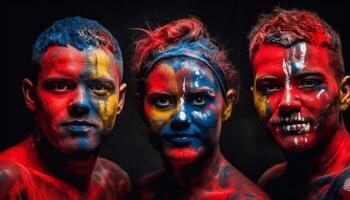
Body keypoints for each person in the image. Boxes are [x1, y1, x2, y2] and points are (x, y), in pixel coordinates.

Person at [132, 17, 270, 199]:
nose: (180, 118)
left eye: (198, 100)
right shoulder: (141, 192)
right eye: (163, 101)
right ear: (141, 107)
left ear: (227, 105)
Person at [0, 16, 130, 199]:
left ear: (120, 100)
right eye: (60, 86)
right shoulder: (8, 181)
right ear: (30, 95)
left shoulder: (115, 182)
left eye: (99, 88)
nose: (80, 103)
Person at [248, 8, 350, 199]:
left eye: (308, 83)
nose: (287, 102)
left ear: (344, 93)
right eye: (269, 87)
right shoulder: (273, 182)